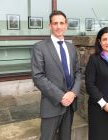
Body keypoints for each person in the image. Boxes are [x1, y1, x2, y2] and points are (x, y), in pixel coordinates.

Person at [31, 10, 81, 140]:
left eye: (61, 23)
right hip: (51, 105)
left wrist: (73, 93)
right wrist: (61, 96)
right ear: (50, 26)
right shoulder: (40, 47)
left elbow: (78, 73)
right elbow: (38, 76)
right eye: (55, 23)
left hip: (70, 105)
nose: (58, 26)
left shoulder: (71, 48)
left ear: (66, 25)